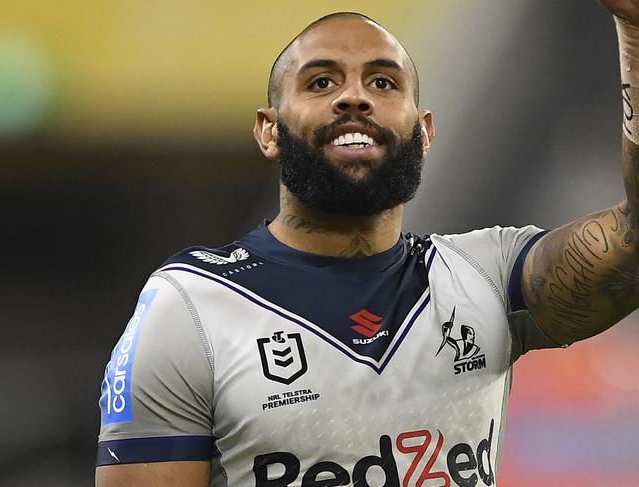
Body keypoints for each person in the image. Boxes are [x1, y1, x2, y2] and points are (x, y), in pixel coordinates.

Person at [95, 4, 639, 486]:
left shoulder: (486, 277)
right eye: (321, 83)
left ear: (424, 131)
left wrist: (633, 31)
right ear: (268, 130)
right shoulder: (189, 307)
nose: (354, 97)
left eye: (382, 83)